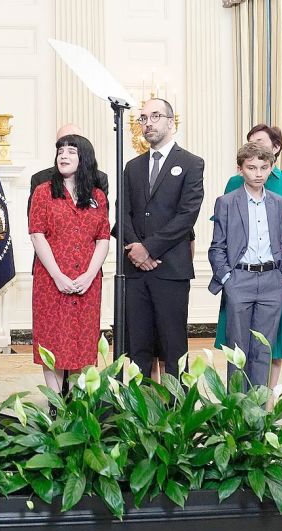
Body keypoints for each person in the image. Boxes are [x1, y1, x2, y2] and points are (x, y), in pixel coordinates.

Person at [213, 125, 282, 397]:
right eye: (251, 168)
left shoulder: (279, 201)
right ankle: (236, 410)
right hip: (239, 279)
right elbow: (218, 245)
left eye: (263, 168)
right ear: (241, 168)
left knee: (264, 348)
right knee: (238, 349)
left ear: (270, 167)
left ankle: (257, 413)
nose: (258, 173)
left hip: (271, 280)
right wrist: (228, 278)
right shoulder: (227, 201)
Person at [117, 98, 204, 378]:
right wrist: (136, 251)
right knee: (137, 348)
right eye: (143, 118)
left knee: (173, 348)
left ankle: (178, 415)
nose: (148, 123)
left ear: (171, 121)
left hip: (170, 269)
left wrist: (149, 249)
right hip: (135, 271)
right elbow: (124, 213)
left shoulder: (191, 163)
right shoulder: (132, 167)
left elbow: (186, 216)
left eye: (155, 116)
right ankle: (138, 415)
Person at [29, 134, 111, 395]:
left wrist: (89, 274)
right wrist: (57, 276)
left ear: (84, 157)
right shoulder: (43, 192)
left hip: (87, 282)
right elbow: (36, 234)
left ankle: (76, 404)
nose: (63, 156)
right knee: (53, 343)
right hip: (51, 281)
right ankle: (55, 406)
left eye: (71, 151)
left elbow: (103, 238)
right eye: (60, 151)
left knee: (81, 343)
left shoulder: (97, 196)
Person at [28, 123, 109, 218]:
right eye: (61, 147)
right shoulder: (40, 180)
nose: (64, 155)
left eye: (71, 149)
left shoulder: (99, 179)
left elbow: (103, 221)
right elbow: (35, 223)